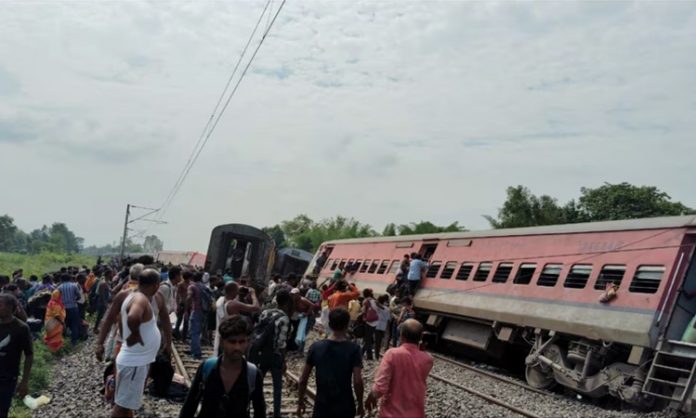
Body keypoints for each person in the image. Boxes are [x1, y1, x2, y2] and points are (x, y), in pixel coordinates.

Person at [179, 315, 265, 418]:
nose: (237, 347)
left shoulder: (253, 374)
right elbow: (189, 406)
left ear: (247, 342)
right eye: (232, 342)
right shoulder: (207, 368)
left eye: (241, 342)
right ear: (222, 342)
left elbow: (259, 411)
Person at [111, 269, 165, 418]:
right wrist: (135, 335)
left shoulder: (131, 296)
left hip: (133, 361)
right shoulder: (141, 299)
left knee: (127, 406)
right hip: (134, 364)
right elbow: (133, 317)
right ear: (156, 285)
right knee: (121, 408)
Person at [297, 307, 364, 418]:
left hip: (322, 405)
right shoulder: (354, 349)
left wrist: (300, 402)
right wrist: (360, 403)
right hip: (345, 405)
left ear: (329, 324)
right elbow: (357, 381)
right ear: (347, 325)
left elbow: (303, 379)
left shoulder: (316, 347)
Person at [365, 319, 433, 418]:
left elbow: (380, 387)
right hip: (416, 414)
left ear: (401, 336)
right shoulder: (428, 359)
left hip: (392, 413)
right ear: (420, 338)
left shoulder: (392, 354)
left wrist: (371, 397)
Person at [248, 290, 290, 418]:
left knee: (256, 384)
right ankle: (277, 414)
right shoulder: (284, 318)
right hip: (275, 355)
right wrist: (283, 360)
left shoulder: (265, 313)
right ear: (287, 303)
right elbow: (282, 343)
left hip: (262, 353)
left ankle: (251, 408)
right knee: (277, 387)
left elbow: (258, 333)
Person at [0, 293, 33, 418]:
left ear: (10, 308)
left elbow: (29, 355)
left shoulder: (21, 328)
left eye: (0, 304)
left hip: (7, 378)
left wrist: (24, 381)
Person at [213, 282, 259, 356]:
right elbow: (255, 307)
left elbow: (231, 292)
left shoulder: (220, 300)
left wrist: (237, 289)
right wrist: (253, 294)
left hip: (222, 334)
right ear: (233, 291)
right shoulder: (233, 304)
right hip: (233, 335)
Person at [57, 273, 83, 345]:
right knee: (74, 324)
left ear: (61, 279)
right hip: (74, 307)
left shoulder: (59, 287)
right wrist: (74, 300)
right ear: (70, 279)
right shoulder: (74, 286)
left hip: (63, 309)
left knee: (64, 324)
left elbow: (57, 298)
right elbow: (79, 296)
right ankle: (73, 342)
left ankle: (63, 342)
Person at [174, 270, 192, 340]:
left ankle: (184, 336)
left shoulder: (191, 284)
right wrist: (177, 304)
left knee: (186, 321)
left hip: (189, 304)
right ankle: (176, 333)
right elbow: (178, 295)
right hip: (182, 303)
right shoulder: (180, 284)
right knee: (179, 319)